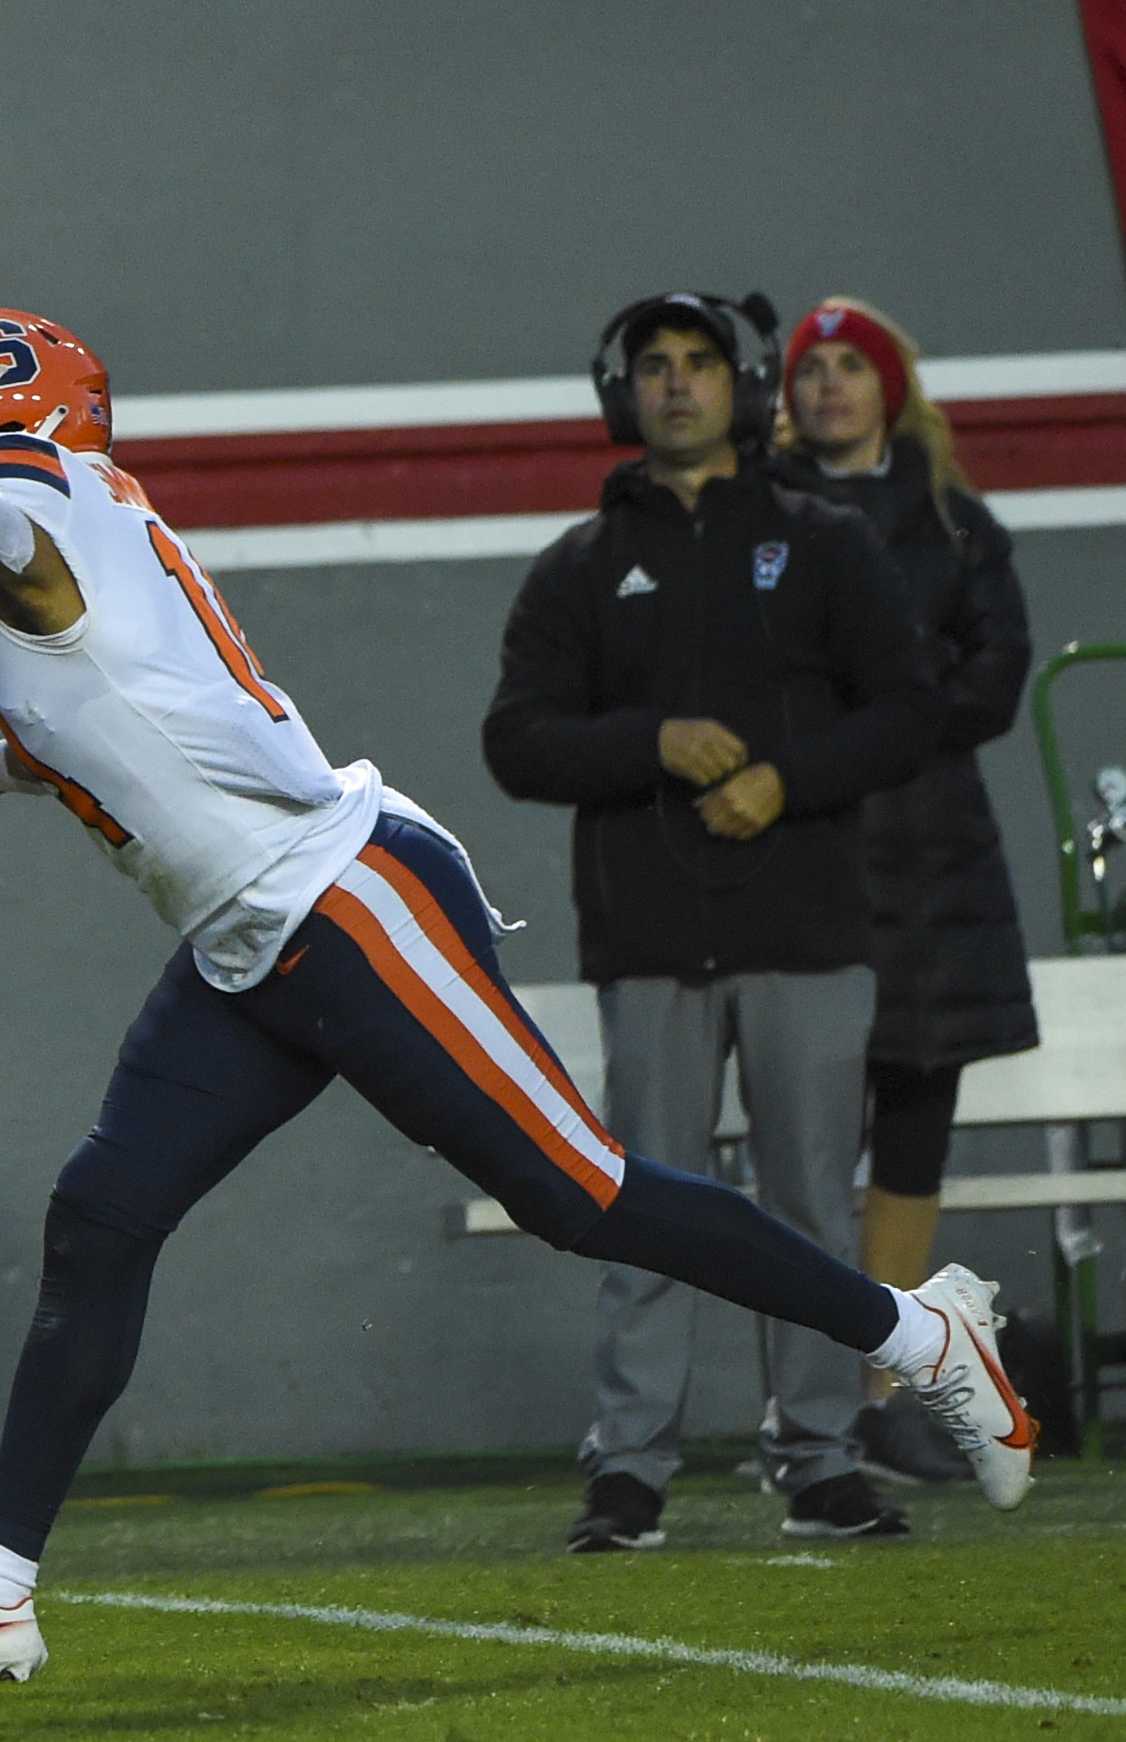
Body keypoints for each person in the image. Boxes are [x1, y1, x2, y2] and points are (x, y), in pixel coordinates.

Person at [0, 306, 1036, 1681]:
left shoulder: (36, 501)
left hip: (345, 900)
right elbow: (127, 708)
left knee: (578, 1194)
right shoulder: (52, 533)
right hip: (248, 936)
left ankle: (919, 1335)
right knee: (99, 1215)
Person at [483, 291, 949, 1550]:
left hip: (805, 930)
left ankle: (817, 1456)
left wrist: (783, 778)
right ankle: (628, 1468)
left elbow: (910, 707)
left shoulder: (825, 541)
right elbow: (513, 740)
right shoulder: (580, 565)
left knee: (806, 1202)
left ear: (735, 387)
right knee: (639, 1206)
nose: (675, 384)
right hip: (645, 940)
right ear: (619, 392)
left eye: (696, 364)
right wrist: (650, 739)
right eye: (652, 366)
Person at [769, 297, 1038, 1484]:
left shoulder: (955, 523)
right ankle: (807, 1402)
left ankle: (883, 1386)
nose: (826, 385)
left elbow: (993, 682)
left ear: (890, 387)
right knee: (804, 1136)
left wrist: (877, 698)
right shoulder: (758, 518)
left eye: (848, 367)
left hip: (937, 863)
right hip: (808, 851)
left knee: (913, 1122)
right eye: (809, 369)